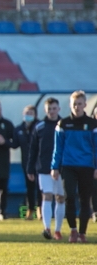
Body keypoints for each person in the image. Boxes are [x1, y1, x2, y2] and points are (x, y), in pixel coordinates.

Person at [50, 90, 97, 243]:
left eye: (79, 104)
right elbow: (58, 148)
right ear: (70, 105)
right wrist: (54, 167)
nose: (77, 107)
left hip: (87, 166)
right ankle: (73, 230)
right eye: (74, 104)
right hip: (68, 166)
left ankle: (82, 233)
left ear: (85, 105)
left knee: (85, 199)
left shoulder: (92, 124)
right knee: (69, 196)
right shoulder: (63, 124)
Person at [28, 98, 64, 240]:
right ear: (45, 110)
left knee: (60, 198)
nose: (52, 111)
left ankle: (58, 230)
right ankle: (47, 228)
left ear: (59, 109)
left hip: (61, 168)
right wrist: (30, 168)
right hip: (43, 167)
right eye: (49, 109)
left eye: (54, 108)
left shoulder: (64, 124)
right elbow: (33, 149)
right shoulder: (39, 126)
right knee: (47, 195)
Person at [15, 105, 40, 221]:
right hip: (26, 162)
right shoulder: (19, 129)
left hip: (39, 162)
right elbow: (14, 144)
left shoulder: (40, 127)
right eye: (26, 113)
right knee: (29, 187)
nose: (28, 115)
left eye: (31, 113)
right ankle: (30, 210)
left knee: (40, 187)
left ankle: (40, 208)